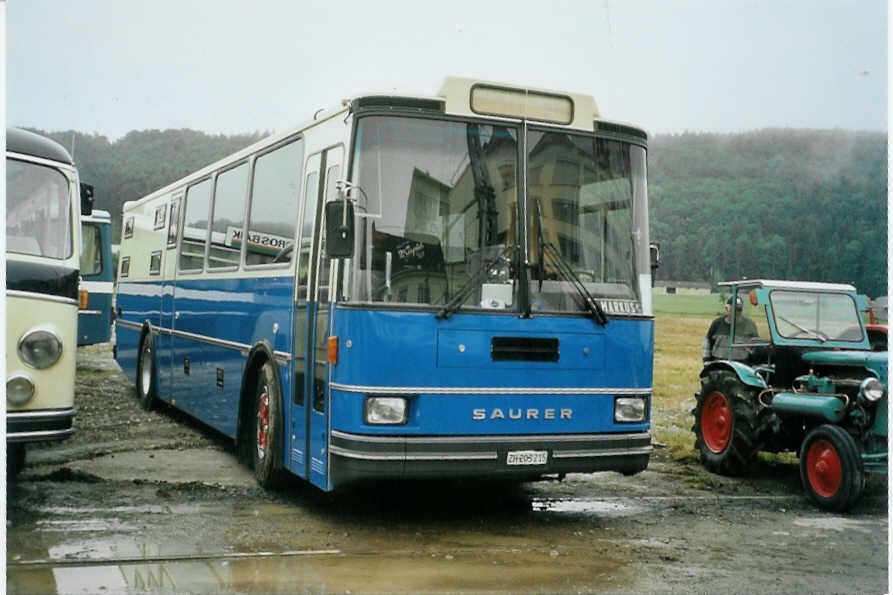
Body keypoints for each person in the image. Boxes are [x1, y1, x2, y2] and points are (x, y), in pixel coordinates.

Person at [702, 295, 759, 362]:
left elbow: (756, 347)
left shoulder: (750, 325)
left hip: (742, 366)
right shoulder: (717, 323)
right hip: (719, 364)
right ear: (726, 308)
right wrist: (706, 360)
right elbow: (707, 342)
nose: (737, 312)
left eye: (739, 309)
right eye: (734, 309)